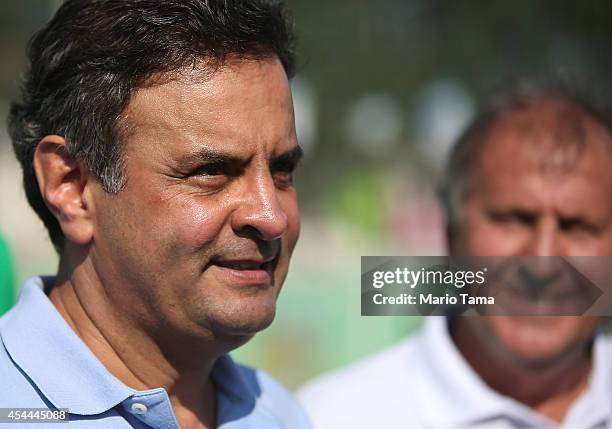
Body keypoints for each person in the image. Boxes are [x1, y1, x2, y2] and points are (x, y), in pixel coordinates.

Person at [1, 1, 310, 428]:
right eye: (212, 171)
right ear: (70, 187)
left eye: (281, 170)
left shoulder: (280, 413)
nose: (270, 216)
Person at [298, 79, 612, 429]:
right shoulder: (329, 418)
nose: (542, 262)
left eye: (577, 226)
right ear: (451, 233)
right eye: (513, 219)